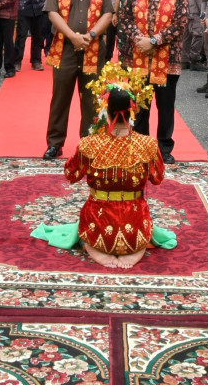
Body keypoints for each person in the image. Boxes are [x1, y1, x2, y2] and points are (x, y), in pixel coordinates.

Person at [62, 67, 166, 267]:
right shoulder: (148, 145)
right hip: (134, 228)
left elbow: (70, 174)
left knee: (92, 229)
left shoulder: (89, 144)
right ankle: (138, 247)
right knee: (138, 230)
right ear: (133, 110)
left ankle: (93, 247)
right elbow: (158, 178)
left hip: (98, 227)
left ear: (105, 109)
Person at [43, 0, 112, 159]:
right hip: (65, 49)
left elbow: (108, 14)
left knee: (92, 97)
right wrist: (73, 36)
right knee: (60, 98)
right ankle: (55, 143)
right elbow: (52, 13)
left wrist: (91, 36)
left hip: (93, 48)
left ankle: (90, 143)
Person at [119, 0, 189, 164]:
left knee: (165, 106)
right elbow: (125, 17)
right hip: (138, 56)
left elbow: (180, 23)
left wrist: (155, 41)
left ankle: (164, 147)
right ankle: (140, 144)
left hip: (168, 60)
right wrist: (140, 39)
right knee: (140, 105)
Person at [182, 0, 207, 70]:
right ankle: (195, 60)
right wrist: (203, 10)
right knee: (198, 34)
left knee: (186, 35)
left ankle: (184, 60)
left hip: (187, 9)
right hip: (195, 10)